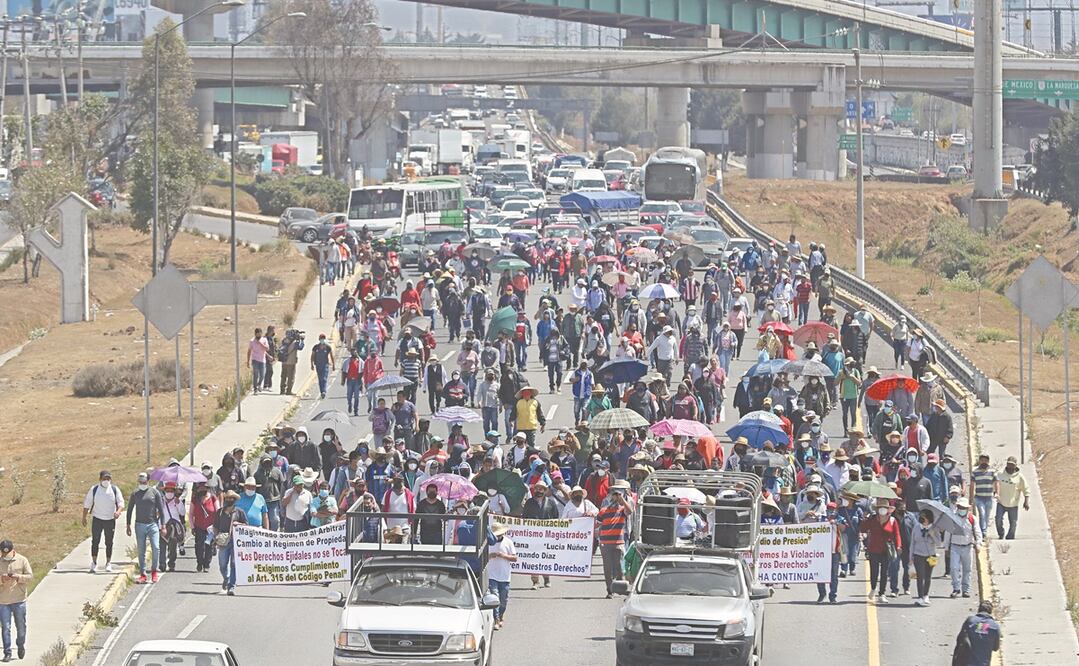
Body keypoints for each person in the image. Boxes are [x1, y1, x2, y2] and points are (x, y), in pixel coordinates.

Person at [126, 471, 165, 584]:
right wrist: (128, 525)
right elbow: (129, 509)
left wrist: (163, 526)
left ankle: (154, 571)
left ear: (148, 481)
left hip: (153, 524)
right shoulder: (135, 493)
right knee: (141, 550)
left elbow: (161, 511)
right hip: (139, 524)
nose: (142, 483)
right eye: (140, 481)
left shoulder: (155, 492)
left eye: (144, 481)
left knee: (156, 547)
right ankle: (143, 574)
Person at [82, 470, 124, 574]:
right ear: (100, 479)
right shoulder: (95, 489)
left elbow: (121, 502)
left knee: (109, 542)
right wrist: (84, 517)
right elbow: (87, 503)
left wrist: (118, 512)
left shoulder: (114, 489)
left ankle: (108, 563)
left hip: (110, 520)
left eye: (108, 479)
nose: (106, 481)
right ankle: (94, 562)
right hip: (97, 519)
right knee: (95, 541)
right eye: (104, 479)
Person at [860, 498, 901, 603]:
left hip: (886, 550)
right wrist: (865, 519)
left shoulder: (892, 520)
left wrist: (898, 546)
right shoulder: (872, 519)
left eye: (884, 508)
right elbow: (863, 529)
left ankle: (882, 593)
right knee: (874, 572)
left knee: (884, 573)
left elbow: (897, 534)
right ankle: (873, 588)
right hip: (873, 549)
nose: (882, 510)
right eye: (880, 508)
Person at [597, 480, 632, 598]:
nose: (616, 497)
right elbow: (597, 524)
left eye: (618, 494)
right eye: (614, 495)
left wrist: (622, 500)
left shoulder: (622, 510)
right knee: (607, 568)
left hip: (618, 543)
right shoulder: (603, 511)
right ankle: (609, 590)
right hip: (605, 543)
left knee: (619, 568)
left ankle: (620, 589)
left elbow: (630, 511)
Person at [0, 540, 30, 662]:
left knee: (21, 627)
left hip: (19, 599)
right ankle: (7, 652)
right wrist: (2, 579)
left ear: (13, 550)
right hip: (3, 600)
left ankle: (20, 645)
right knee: (5, 627)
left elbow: (30, 576)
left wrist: (19, 577)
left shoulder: (22, 560)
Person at [947, 496, 982, 598]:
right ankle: (956, 588)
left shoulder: (972, 519)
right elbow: (948, 533)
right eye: (960, 507)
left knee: (967, 569)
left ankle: (966, 589)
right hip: (955, 546)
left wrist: (978, 543)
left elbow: (977, 532)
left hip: (967, 547)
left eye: (964, 507)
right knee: (954, 568)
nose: (962, 509)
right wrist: (946, 547)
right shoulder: (952, 517)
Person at [213, 490, 247, 595]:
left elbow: (246, 525)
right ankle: (226, 578)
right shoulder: (219, 512)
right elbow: (215, 527)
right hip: (223, 542)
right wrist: (216, 538)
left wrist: (239, 524)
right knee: (222, 564)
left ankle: (231, 586)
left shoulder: (239, 512)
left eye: (231, 498)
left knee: (234, 564)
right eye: (227, 498)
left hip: (235, 542)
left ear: (235, 500)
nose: (229, 500)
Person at [952, 600, 1001, 666]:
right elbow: (995, 647)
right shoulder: (994, 626)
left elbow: (960, 639)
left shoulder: (970, 621)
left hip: (966, 662)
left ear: (979, 610)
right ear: (990, 612)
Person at [488, 522, 517, 631]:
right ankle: (496, 619)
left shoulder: (508, 542)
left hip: (504, 576)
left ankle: (500, 616)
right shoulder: (488, 542)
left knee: (503, 600)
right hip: (492, 575)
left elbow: (514, 558)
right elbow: (482, 556)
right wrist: (490, 556)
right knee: (494, 596)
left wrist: (502, 555)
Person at [910, 508, 941, 606]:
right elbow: (912, 543)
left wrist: (933, 535)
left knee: (928, 576)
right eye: (922, 518)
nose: (924, 520)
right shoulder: (916, 527)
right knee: (920, 576)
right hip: (918, 555)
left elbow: (939, 543)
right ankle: (920, 597)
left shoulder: (934, 528)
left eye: (925, 518)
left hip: (931, 555)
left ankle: (926, 595)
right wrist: (911, 557)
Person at [994, 455, 1029, 540]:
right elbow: (995, 484)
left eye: (1012, 464)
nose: (1010, 466)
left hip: (1013, 504)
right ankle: (1001, 533)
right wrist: (995, 492)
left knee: (1013, 523)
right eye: (1009, 464)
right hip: (1001, 503)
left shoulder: (1020, 477)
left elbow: (1026, 489)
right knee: (998, 519)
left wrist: (1026, 501)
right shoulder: (1000, 474)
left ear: (1015, 465)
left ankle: (1010, 537)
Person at [189, 482, 219, 573]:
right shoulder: (195, 499)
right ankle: (199, 563)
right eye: (200, 488)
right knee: (199, 546)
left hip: (211, 527)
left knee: (209, 545)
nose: (202, 490)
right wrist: (192, 526)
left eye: (204, 488)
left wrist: (217, 526)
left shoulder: (213, 498)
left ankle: (207, 564)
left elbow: (218, 512)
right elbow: (190, 514)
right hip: (198, 526)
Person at [969, 454, 995, 538]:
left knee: (987, 515)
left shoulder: (992, 472)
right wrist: (971, 497)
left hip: (989, 498)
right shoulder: (975, 472)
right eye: (982, 460)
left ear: (988, 461)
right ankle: (982, 532)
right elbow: (972, 485)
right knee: (982, 514)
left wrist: (997, 493)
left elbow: (996, 483)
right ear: (979, 461)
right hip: (979, 498)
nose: (984, 462)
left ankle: (984, 530)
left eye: (986, 460)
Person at [246, 328, 269, 394]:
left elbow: (267, 348)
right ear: (255, 334)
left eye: (260, 333)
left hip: (262, 360)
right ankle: (255, 389)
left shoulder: (264, 339)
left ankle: (259, 384)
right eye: (257, 333)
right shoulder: (252, 341)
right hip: (255, 359)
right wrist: (248, 361)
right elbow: (249, 351)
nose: (259, 335)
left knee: (262, 375)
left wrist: (260, 343)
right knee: (256, 374)